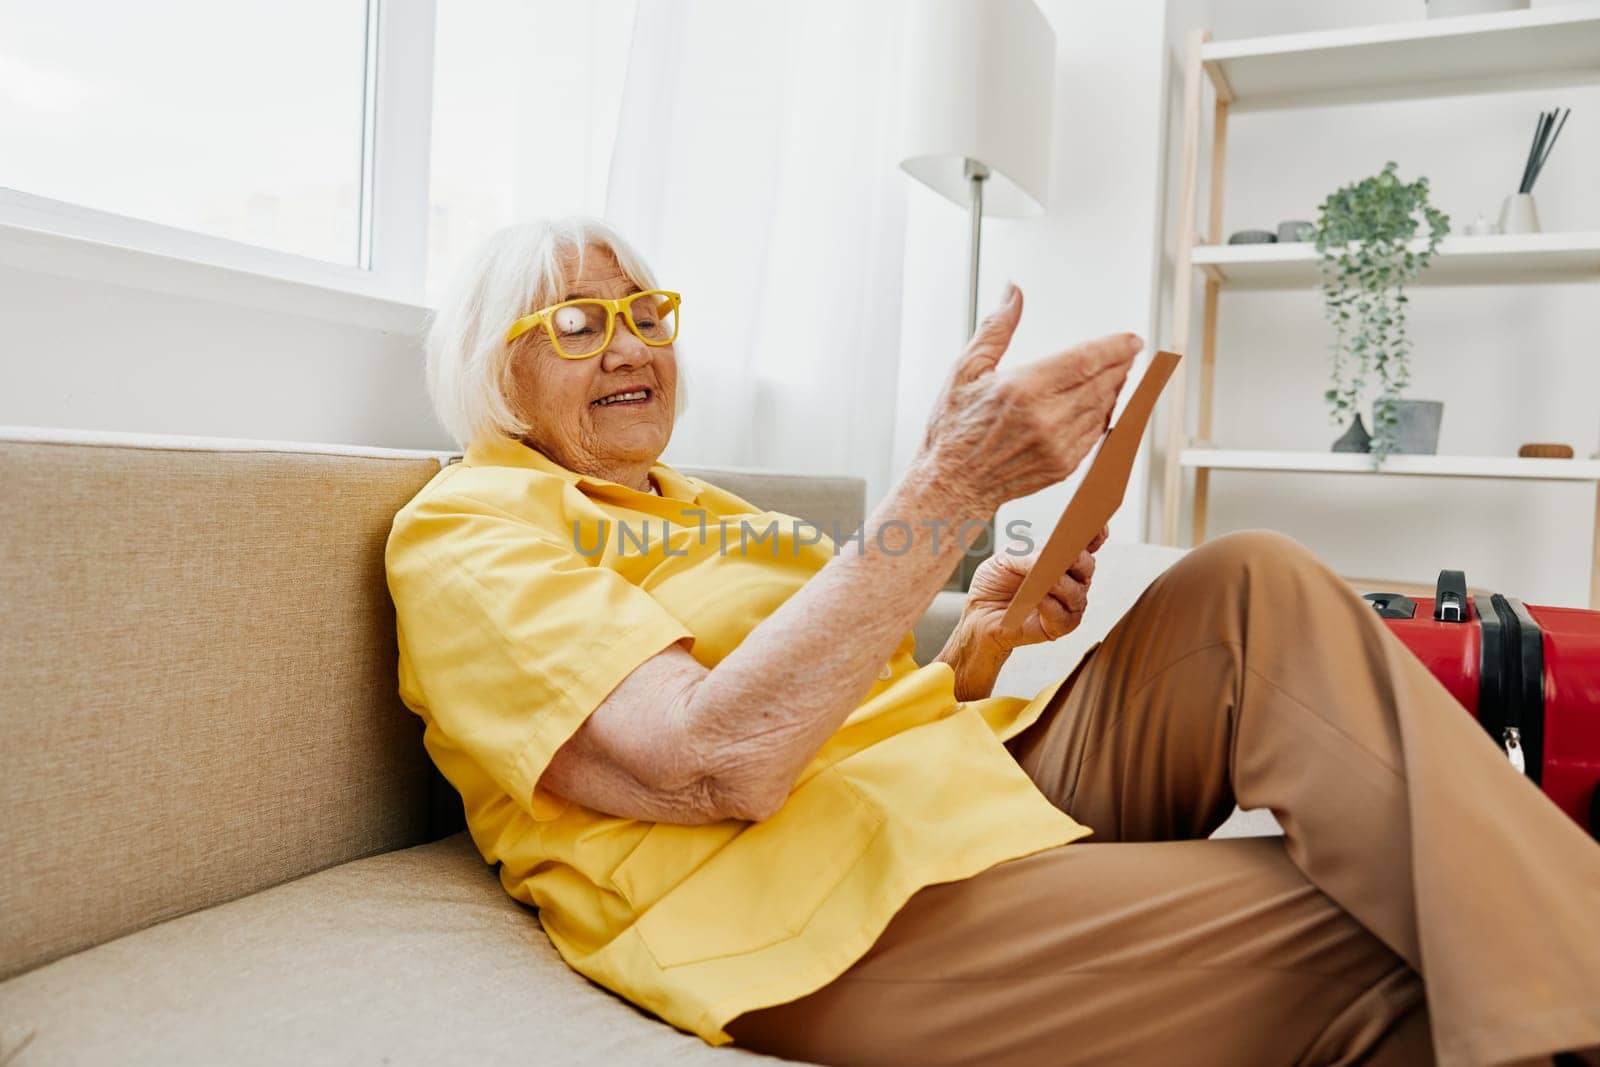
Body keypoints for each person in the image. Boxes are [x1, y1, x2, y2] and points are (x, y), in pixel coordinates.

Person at [385, 216, 1600, 1066]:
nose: (633, 344)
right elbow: (713, 761)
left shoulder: (697, 503)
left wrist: (975, 636)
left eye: (645, 311)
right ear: (497, 371)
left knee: (1251, 584)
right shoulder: (471, 527)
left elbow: (863, 698)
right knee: (1410, 922)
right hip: (814, 912)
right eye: (581, 323)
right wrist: (946, 487)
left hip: (950, 793)